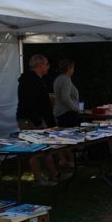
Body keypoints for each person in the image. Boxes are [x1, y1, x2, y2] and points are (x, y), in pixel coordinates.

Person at [16, 54, 65, 186]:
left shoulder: (35, 79)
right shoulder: (30, 80)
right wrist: (38, 122)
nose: (48, 67)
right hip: (31, 120)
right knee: (36, 149)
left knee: (44, 148)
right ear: (39, 65)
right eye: (46, 64)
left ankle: (55, 174)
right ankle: (39, 179)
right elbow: (30, 103)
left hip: (36, 119)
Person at [53, 59, 81, 127]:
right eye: (72, 68)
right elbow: (65, 98)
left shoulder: (58, 78)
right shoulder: (66, 79)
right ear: (68, 68)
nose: (73, 71)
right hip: (67, 113)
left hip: (60, 113)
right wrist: (76, 108)